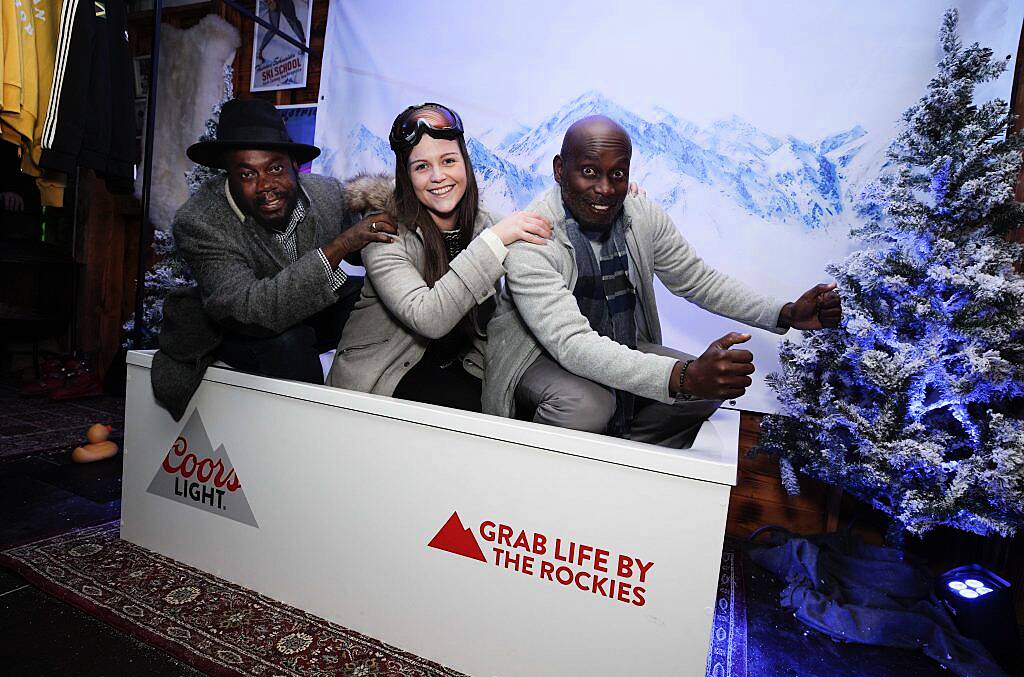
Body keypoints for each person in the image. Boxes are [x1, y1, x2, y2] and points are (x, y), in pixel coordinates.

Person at [483, 115, 841, 448]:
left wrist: (787, 312)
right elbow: (571, 344)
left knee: (709, 385)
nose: (605, 189)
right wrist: (682, 376)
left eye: (617, 174)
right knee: (586, 406)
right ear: (560, 170)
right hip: (536, 355)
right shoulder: (532, 237)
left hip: (617, 340)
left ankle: (621, 463)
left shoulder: (640, 214)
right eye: (589, 172)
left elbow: (697, 280)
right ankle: (538, 484)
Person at [152, 97, 396, 420]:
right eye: (247, 174)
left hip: (312, 310)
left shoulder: (326, 194)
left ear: (295, 166)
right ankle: (313, 431)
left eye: (275, 168)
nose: (266, 185)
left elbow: (362, 247)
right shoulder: (200, 222)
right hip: (240, 327)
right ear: (229, 175)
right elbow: (252, 310)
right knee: (289, 343)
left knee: (377, 303)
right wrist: (340, 245)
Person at [326, 103, 552, 411]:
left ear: (466, 164)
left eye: (448, 161)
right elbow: (428, 317)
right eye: (421, 167)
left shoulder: (483, 224)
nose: (438, 176)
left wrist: (616, 197)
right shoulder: (383, 230)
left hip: (463, 364)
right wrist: (495, 241)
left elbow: (546, 231)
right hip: (385, 377)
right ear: (406, 176)